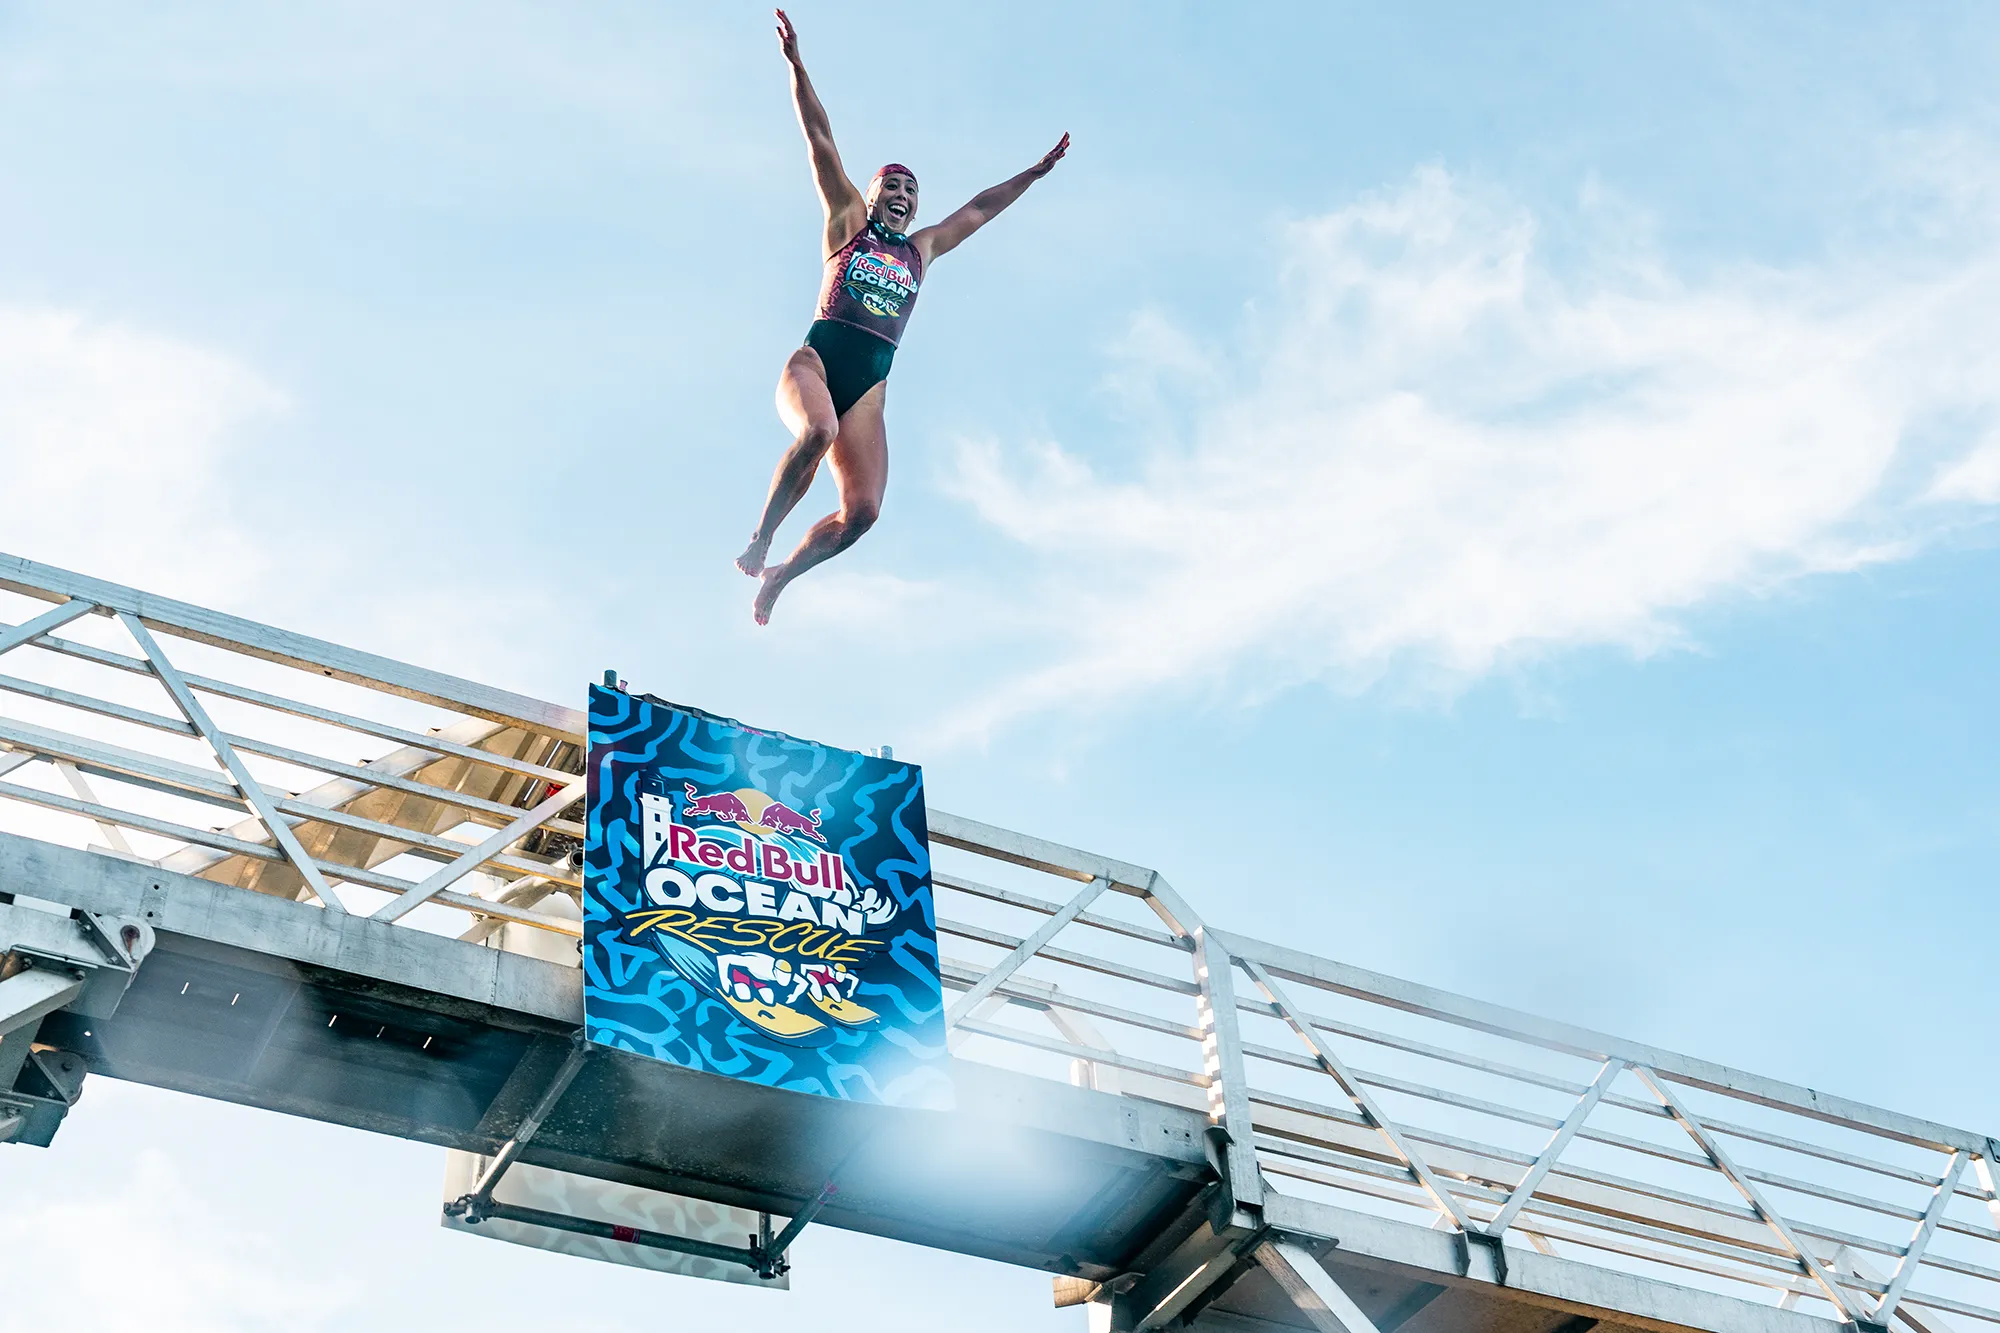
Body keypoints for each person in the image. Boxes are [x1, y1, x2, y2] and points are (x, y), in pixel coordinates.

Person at [736, 9, 1069, 625]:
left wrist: (1037, 172)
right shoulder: (847, 226)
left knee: (861, 513)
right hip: (816, 362)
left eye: (913, 191)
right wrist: (797, 67)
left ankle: (783, 575)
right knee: (817, 433)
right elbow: (820, 142)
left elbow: (980, 209)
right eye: (893, 186)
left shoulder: (923, 249)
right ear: (871, 195)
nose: (904, 196)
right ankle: (761, 538)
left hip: (868, 391)